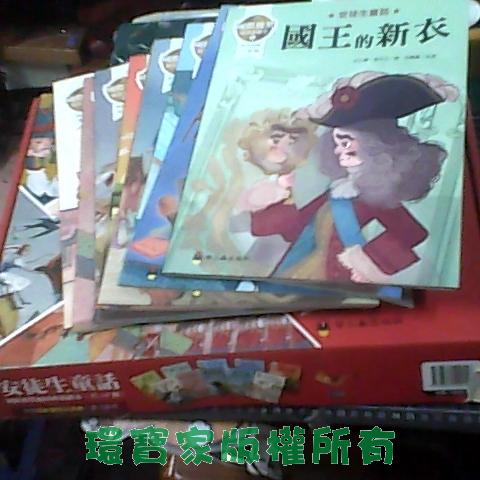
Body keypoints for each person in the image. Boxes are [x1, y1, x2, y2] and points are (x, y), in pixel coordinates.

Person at [248, 72, 459, 284]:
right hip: (300, 268)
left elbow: (413, 233)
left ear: (375, 147)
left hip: (337, 277)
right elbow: (298, 224)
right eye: (336, 143)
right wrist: (267, 203)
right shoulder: (338, 189)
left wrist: (365, 259)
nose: (338, 150)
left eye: (346, 142)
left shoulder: (376, 198)